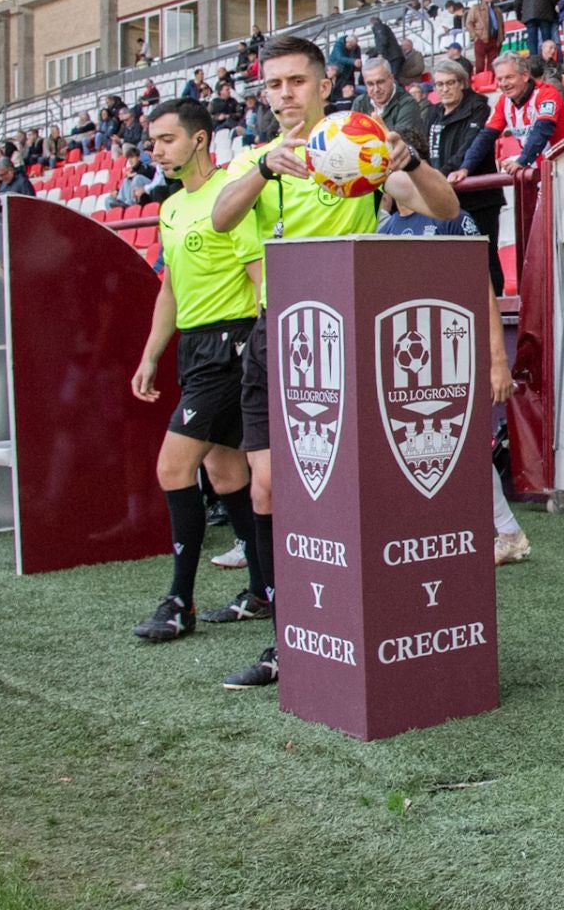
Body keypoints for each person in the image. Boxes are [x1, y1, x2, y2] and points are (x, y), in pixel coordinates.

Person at [209, 36, 460, 691]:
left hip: (339, 338)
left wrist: (412, 161)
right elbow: (221, 217)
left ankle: (367, 624)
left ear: (324, 86)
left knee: (343, 495)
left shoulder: (357, 145)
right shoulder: (258, 157)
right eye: (274, 85)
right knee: (266, 488)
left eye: (296, 81)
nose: (284, 94)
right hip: (274, 334)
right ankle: (286, 636)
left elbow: (445, 208)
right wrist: (264, 173)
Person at [128, 99, 264, 643]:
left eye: (167, 140)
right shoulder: (170, 207)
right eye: (152, 143)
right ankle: (263, 590)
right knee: (226, 474)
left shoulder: (232, 195)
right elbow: (170, 288)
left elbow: (260, 276)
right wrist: (151, 354)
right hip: (195, 347)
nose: (157, 152)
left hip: (232, 345)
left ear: (200, 139)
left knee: (173, 467)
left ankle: (179, 601)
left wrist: (264, 346)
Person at [376, 174, 524, 566]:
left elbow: (483, 290)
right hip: (409, 360)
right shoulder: (385, 229)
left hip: (453, 349)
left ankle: (508, 531)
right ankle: (439, 531)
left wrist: (497, 360)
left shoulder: (451, 218)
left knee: (465, 444)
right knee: (413, 445)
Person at [423, 59, 506, 296]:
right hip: (444, 198)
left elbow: (469, 148)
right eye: (439, 84)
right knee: (449, 259)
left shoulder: (479, 108)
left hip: (479, 200)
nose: (445, 89)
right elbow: (424, 150)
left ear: (462, 83)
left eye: (450, 83)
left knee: (484, 257)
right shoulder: (433, 113)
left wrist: (435, 178)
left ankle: (496, 306)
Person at [450, 53, 564, 182]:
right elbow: (485, 137)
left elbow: (542, 130)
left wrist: (522, 161)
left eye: (509, 77)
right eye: (500, 79)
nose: (504, 84)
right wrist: (465, 168)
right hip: (536, 170)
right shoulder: (504, 101)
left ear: (525, 76)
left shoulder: (547, 94)